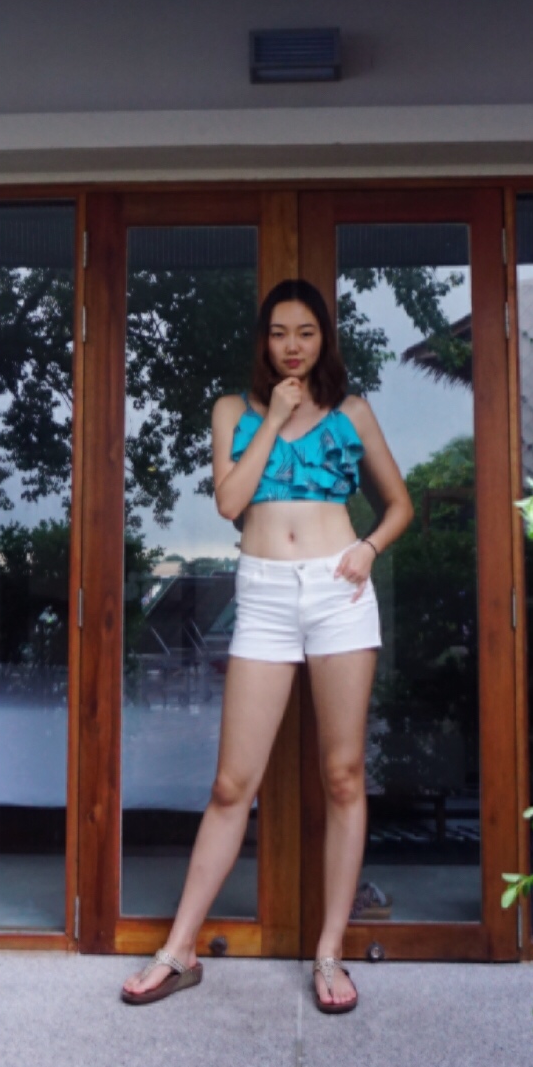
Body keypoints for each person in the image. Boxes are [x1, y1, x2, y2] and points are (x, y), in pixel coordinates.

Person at [119, 278, 414, 1015]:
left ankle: (329, 952)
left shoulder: (352, 412)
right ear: (264, 340)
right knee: (231, 784)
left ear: (324, 339)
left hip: (339, 591)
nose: (292, 345)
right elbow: (229, 501)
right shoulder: (232, 410)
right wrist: (276, 417)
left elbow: (399, 504)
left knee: (342, 775)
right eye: (280, 332)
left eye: (306, 332)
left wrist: (369, 547)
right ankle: (179, 949)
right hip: (265, 595)